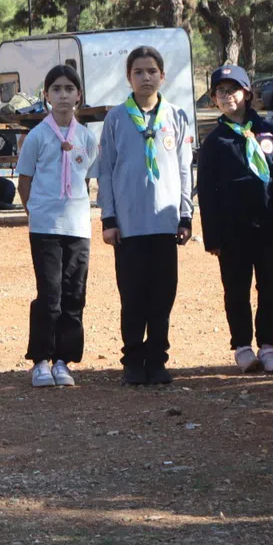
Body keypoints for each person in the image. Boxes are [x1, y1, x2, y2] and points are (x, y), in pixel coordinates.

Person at [97, 49, 194, 385]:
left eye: (152, 71)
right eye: (138, 72)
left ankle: (157, 359)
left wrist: (185, 214)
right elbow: (106, 171)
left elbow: (184, 169)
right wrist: (108, 218)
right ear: (129, 77)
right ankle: (133, 360)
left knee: (163, 295)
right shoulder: (116, 118)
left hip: (165, 223)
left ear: (162, 76)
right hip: (129, 224)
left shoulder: (176, 116)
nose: (145, 77)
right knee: (133, 295)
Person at [197, 65, 273, 375]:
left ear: (247, 92)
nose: (227, 96)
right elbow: (207, 190)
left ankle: (268, 344)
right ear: (214, 98)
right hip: (232, 231)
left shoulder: (270, 132)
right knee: (236, 288)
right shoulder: (215, 141)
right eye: (220, 91)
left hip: (269, 225)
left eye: (233, 89)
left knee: (271, 286)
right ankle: (242, 345)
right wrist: (213, 236)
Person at [19, 65, 98, 389]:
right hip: (46, 227)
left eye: (69, 88)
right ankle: (41, 360)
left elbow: (87, 175)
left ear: (79, 95)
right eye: (56, 89)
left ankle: (64, 360)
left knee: (73, 294)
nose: (63, 95)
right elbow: (24, 181)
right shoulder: (38, 136)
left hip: (78, 227)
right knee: (49, 295)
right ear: (46, 95)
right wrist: (36, 212)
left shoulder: (86, 136)